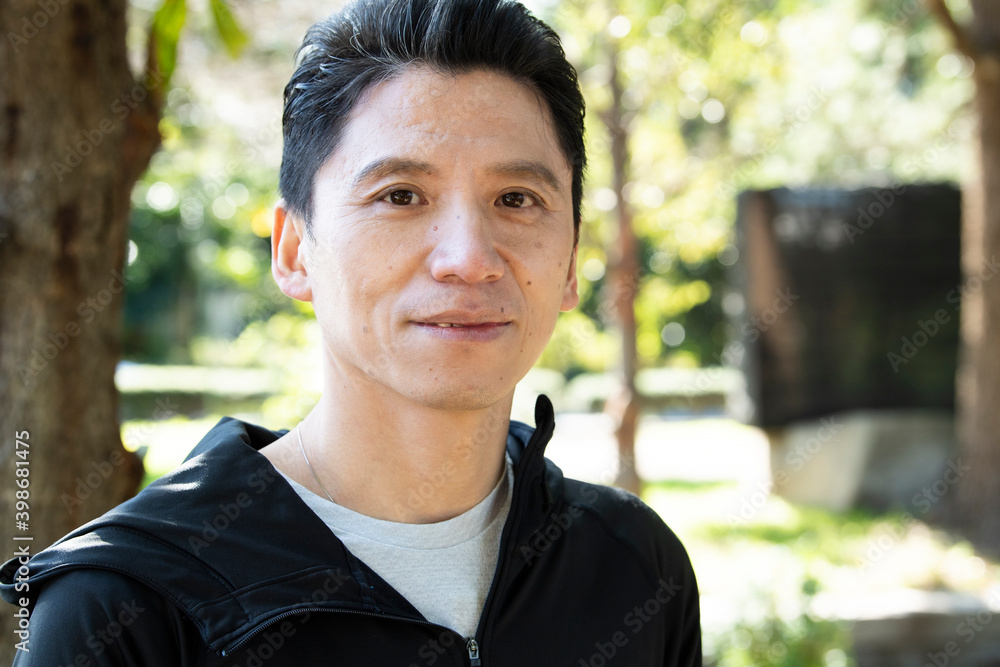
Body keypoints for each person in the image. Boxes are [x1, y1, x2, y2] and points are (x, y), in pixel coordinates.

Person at [0, 0, 702, 664]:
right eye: (401, 195)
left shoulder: (635, 567)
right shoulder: (122, 607)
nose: (468, 257)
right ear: (293, 250)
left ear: (571, 262)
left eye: (516, 198)